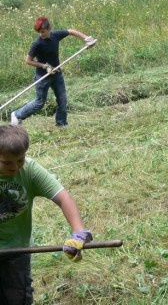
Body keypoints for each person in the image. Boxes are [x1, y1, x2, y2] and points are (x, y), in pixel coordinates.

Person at [0, 125, 92, 305]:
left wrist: (79, 232)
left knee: (17, 299)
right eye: (7, 162)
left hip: (16, 251)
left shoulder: (30, 170)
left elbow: (63, 198)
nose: (15, 167)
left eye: (20, 160)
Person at [10, 16, 96, 127]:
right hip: (43, 77)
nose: (41, 34)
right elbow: (28, 61)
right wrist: (45, 66)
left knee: (62, 100)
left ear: (49, 28)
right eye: (39, 32)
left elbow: (71, 31)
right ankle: (17, 115)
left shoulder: (55, 35)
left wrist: (86, 38)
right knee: (39, 103)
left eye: (43, 32)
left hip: (57, 74)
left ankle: (61, 124)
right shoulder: (37, 44)